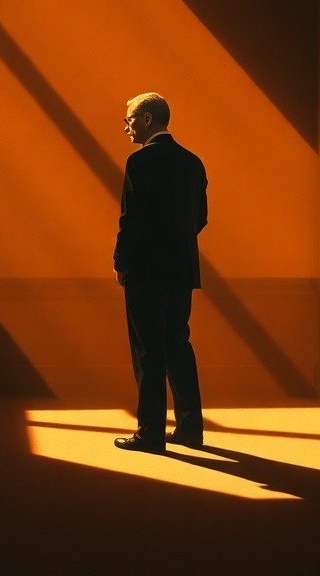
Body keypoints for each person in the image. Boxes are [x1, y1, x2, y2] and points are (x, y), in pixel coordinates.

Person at [112, 92, 208, 453]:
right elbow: (200, 218)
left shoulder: (140, 163)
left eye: (130, 119)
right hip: (181, 269)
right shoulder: (193, 163)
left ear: (148, 119)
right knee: (177, 346)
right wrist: (176, 245)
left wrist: (122, 262)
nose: (126, 126)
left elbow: (130, 220)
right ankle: (189, 429)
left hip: (146, 270)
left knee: (148, 350)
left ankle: (150, 433)